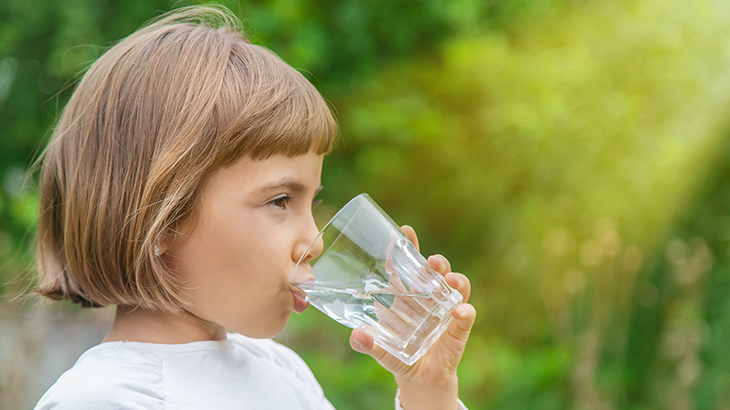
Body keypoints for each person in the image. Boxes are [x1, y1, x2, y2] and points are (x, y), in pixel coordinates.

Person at [33, 5, 476, 410]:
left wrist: (428, 393)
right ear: (160, 220)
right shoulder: (105, 399)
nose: (314, 242)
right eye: (280, 200)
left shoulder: (282, 370)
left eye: (313, 201)